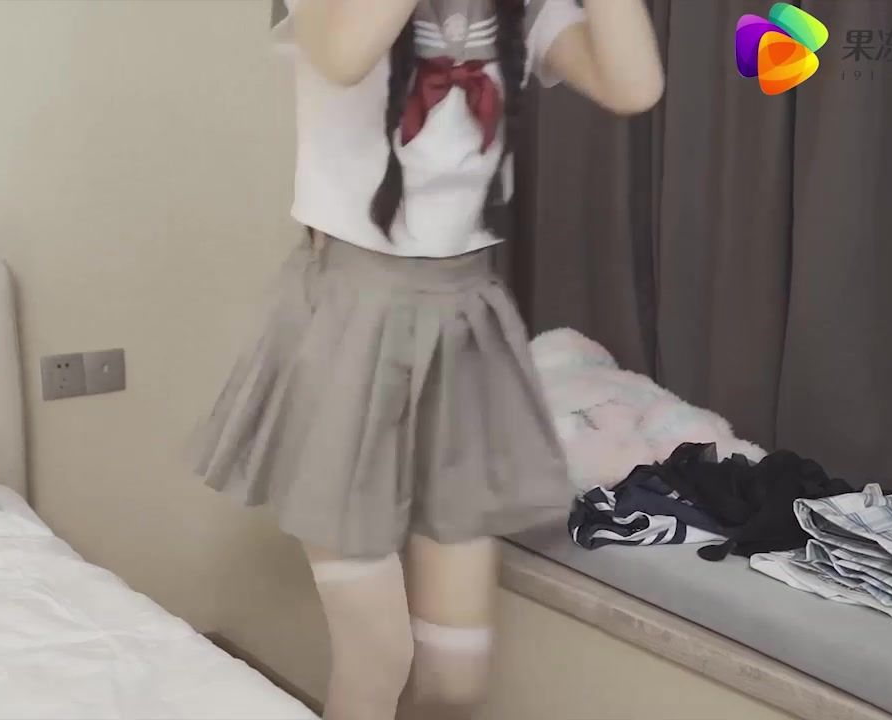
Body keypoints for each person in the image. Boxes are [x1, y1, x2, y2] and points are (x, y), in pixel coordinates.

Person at [192, 1, 664, 718]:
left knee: (454, 682)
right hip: (348, 322)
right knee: (378, 656)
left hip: (461, 327)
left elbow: (634, 86)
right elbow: (344, 54)